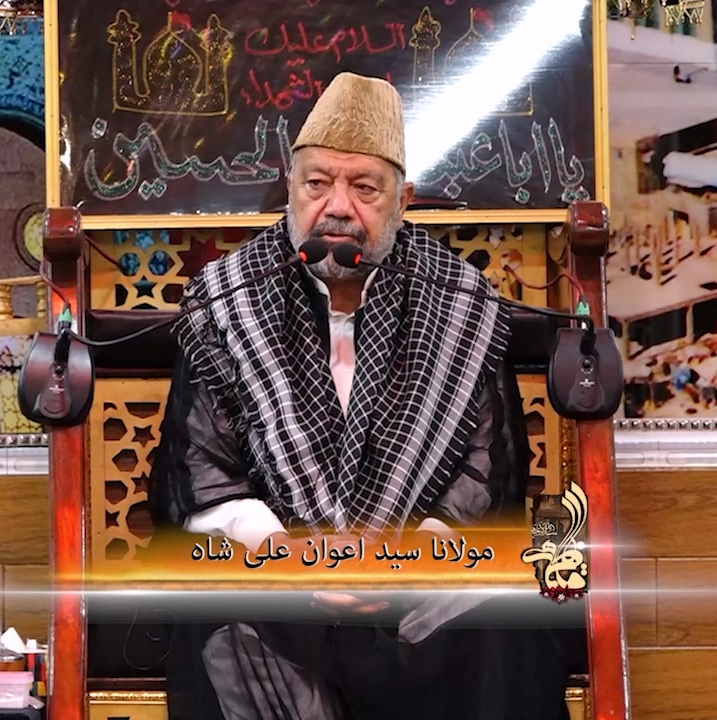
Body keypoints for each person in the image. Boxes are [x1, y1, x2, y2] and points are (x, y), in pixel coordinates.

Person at [149, 72, 573, 720]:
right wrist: (288, 553)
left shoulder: (459, 303)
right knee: (223, 615)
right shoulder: (228, 302)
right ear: (290, 188)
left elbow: (487, 475)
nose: (338, 207)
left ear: (402, 201)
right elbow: (199, 471)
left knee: (502, 615)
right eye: (317, 184)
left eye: (364, 188)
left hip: (421, 587)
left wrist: (412, 558)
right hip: (281, 585)